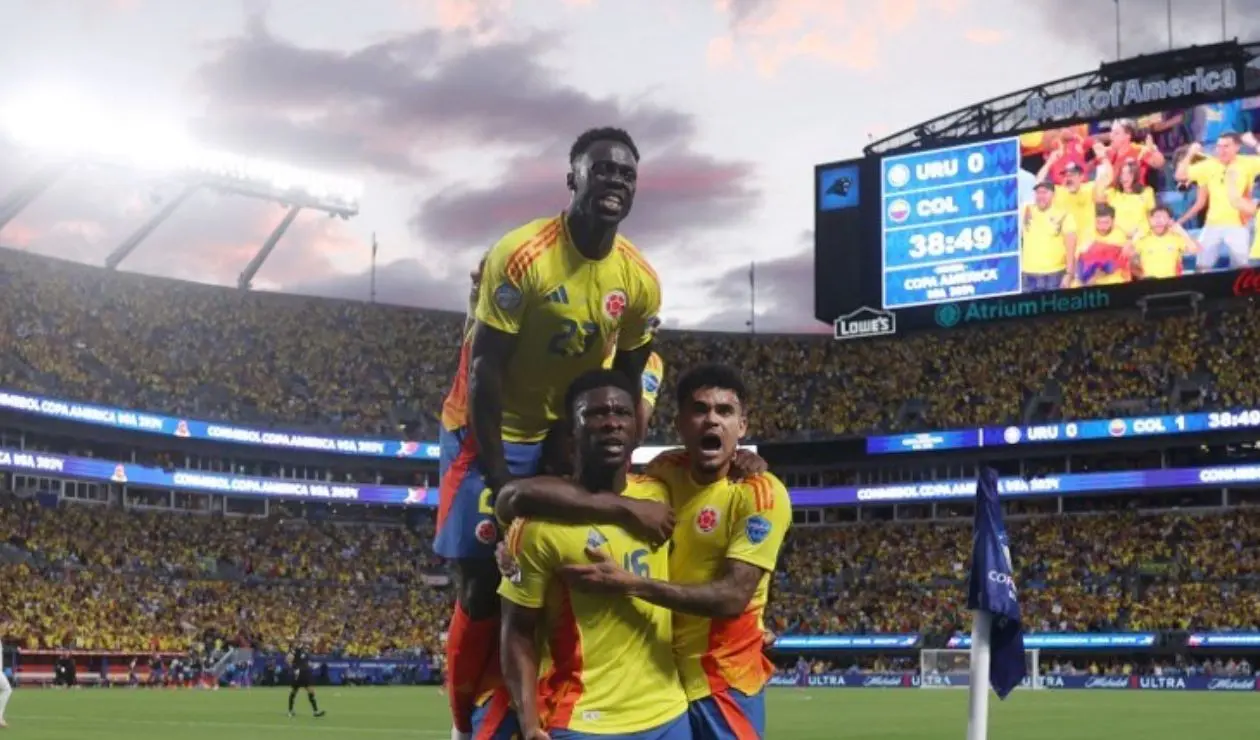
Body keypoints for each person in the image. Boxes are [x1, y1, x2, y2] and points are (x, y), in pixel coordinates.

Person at [435, 127, 663, 740]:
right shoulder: (523, 254)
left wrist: (595, 450)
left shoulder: (638, 280)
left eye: (627, 174)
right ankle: (462, 724)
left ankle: (536, 709)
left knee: (553, 567)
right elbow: (485, 372)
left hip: (563, 428)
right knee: (484, 581)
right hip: (491, 426)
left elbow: (627, 376)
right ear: (573, 178)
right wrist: (503, 480)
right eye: (603, 169)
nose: (615, 181)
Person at [498, 369, 689, 740]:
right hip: (583, 721)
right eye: (596, 414)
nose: (612, 423)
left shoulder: (662, 494)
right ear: (572, 432)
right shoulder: (539, 525)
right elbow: (517, 631)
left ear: (636, 428)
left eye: (622, 413)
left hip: (669, 715)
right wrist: (528, 721)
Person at [1174, 132, 1260, 271]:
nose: (1221, 150)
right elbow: (1180, 175)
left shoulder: (1247, 163)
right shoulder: (1209, 165)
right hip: (1212, 224)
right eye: (1219, 146)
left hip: (1238, 225)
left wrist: (1254, 144)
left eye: (1226, 146)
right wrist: (1190, 153)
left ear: (1237, 147)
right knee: (1201, 268)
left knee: (1242, 270)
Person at [1020, 180, 1078, 291]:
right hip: (1028, 275)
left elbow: (1071, 246)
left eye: (1044, 192)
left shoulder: (1064, 214)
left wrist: (1069, 274)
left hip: (1054, 274)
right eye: (1038, 193)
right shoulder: (1026, 211)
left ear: (1053, 195)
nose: (1041, 196)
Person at [1130, 206, 1198, 280]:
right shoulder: (1143, 239)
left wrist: (1181, 231)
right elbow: (1126, 257)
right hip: (1149, 283)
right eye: (1156, 217)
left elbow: (1195, 250)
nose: (1159, 221)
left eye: (1163, 218)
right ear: (1150, 220)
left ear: (1170, 220)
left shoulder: (1177, 237)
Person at [287, 644, 325, 718]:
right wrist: (294, 668)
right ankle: (290, 710)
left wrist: (313, 665)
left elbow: (308, 663)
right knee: (294, 692)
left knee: (311, 691)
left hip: (306, 673)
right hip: (299, 674)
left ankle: (315, 711)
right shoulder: (295, 652)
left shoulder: (306, 654)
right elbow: (289, 660)